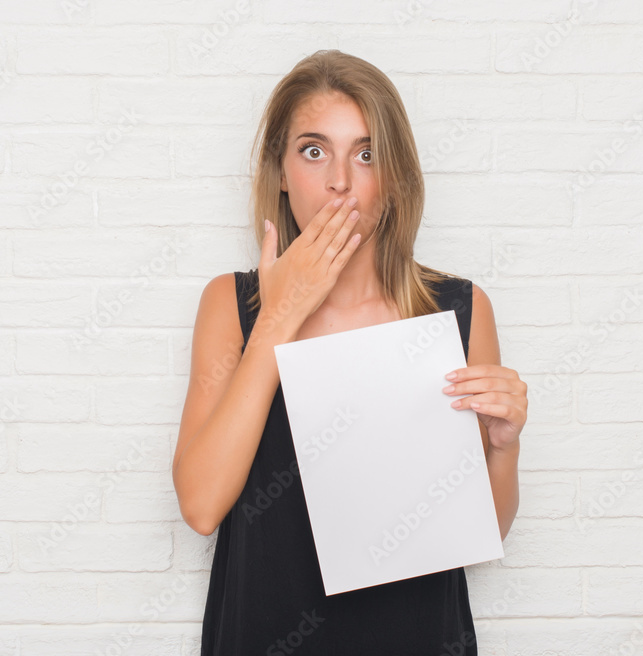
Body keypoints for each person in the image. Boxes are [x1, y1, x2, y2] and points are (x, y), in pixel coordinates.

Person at [172, 49, 527, 655]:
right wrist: (282, 314)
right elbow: (202, 506)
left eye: (366, 154)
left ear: (393, 177)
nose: (340, 179)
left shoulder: (458, 311)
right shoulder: (231, 305)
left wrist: (502, 446)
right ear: (281, 172)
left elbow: (483, 532)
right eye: (314, 151)